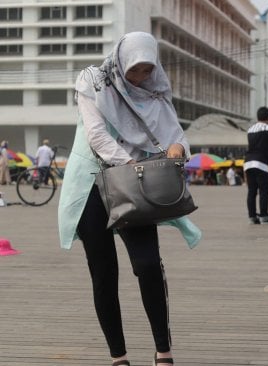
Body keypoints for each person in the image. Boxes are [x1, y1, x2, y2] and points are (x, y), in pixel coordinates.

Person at [58, 32, 202, 366]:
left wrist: (178, 149)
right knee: (103, 272)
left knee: (148, 264)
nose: (139, 76)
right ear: (122, 60)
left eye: (146, 69)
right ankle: (118, 357)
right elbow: (96, 135)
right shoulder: (93, 80)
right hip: (92, 185)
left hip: (135, 189)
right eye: (134, 69)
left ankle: (163, 351)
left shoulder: (155, 92)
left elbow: (174, 134)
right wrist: (132, 164)